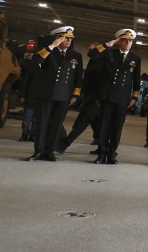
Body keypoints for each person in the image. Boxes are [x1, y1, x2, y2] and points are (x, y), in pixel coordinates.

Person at [26, 27, 83, 162]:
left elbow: (78, 77)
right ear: (58, 38)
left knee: (56, 124)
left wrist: (75, 94)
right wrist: (52, 46)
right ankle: (39, 150)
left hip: (64, 95)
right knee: (42, 123)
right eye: (65, 37)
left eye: (70, 38)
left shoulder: (75, 55)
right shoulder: (48, 51)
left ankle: (49, 151)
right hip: (46, 94)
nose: (69, 40)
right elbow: (36, 60)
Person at [88, 30, 141, 165]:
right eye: (125, 40)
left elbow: (136, 79)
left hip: (122, 96)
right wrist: (108, 44)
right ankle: (102, 153)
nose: (128, 43)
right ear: (119, 41)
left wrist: (134, 96)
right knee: (104, 126)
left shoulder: (135, 58)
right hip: (107, 95)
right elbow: (92, 55)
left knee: (117, 127)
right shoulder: (109, 53)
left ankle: (112, 153)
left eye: (130, 41)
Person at [55, 42, 105, 154]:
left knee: (83, 121)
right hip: (89, 96)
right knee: (96, 123)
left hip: (97, 98)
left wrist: (99, 98)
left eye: (91, 49)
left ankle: (64, 144)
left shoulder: (103, 62)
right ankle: (102, 146)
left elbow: (104, 82)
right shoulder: (94, 61)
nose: (89, 52)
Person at [18, 57, 40, 142]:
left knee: (36, 119)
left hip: (41, 98)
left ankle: (33, 135)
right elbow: (25, 81)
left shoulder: (48, 68)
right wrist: (22, 95)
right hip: (30, 96)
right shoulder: (31, 66)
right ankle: (25, 134)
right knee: (27, 117)